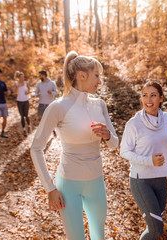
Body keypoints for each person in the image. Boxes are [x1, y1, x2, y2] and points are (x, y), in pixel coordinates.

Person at [30, 51, 119, 240]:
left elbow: (115, 144)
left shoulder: (100, 105)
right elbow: (36, 148)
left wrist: (107, 135)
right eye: (97, 76)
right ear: (82, 75)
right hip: (68, 185)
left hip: (96, 182)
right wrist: (50, 188)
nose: (100, 82)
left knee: (99, 236)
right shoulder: (58, 107)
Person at [120, 81, 167, 240]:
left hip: (161, 179)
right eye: (145, 95)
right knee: (156, 229)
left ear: (161, 98)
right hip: (141, 181)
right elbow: (124, 151)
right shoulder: (134, 123)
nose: (148, 99)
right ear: (141, 99)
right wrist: (149, 160)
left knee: (154, 228)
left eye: (153, 95)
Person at [14, 71, 31, 136]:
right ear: (18, 78)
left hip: (26, 101)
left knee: (26, 115)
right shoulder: (16, 84)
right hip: (19, 101)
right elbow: (14, 92)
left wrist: (27, 92)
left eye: (23, 77)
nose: (22, 78)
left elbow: (29, 89)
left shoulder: (26, 83)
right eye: (21, 77)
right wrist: (17, 87)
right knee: (22, 116)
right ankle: (24, 130)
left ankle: (29, 126)